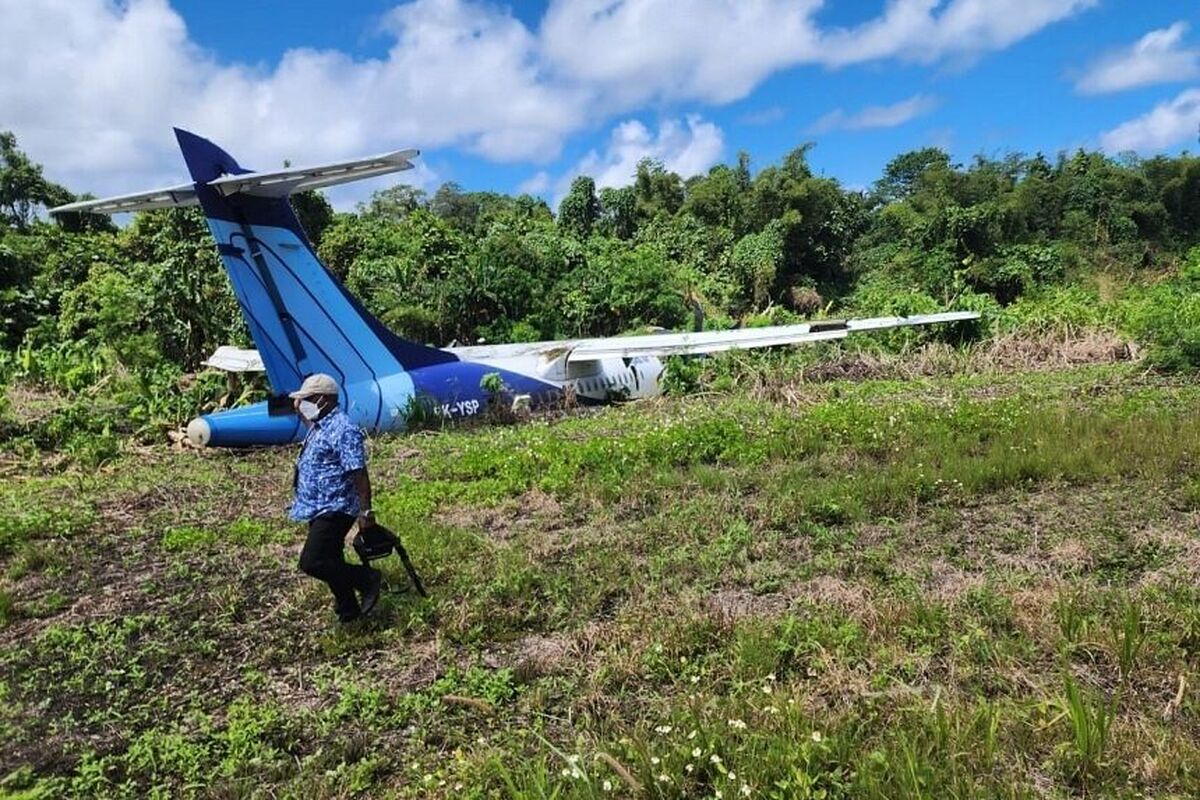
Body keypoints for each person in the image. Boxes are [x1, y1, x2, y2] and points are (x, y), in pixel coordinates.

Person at [288, 373, 382, 623]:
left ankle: (367, 579)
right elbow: (308, 420)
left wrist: (366, 512)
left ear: (324, 399)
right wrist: (300, 408)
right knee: (331, 558)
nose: (302, 404)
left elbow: (359, 474)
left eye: (307, 399)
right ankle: (349, 612)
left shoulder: (344, 429)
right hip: (316, 505)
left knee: (313, 562)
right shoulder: (319, 425)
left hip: (336, 506)